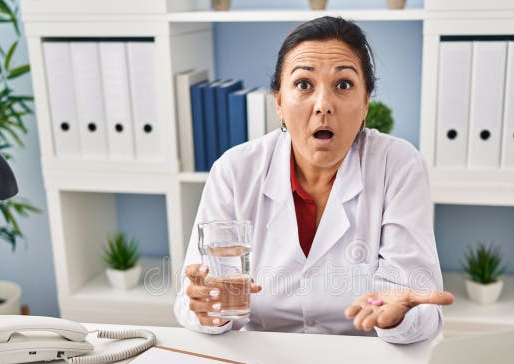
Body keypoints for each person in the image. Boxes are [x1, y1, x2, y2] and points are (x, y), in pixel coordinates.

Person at [174, 16, 454, 344]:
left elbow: (416, 302)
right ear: (278, 102)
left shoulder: (398, 165)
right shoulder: (235, 171)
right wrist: (208, 309)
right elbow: (192, 299)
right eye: (304, 84)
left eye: (344, 85)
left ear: (365, 103)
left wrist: (399, 318)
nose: (323, 105)